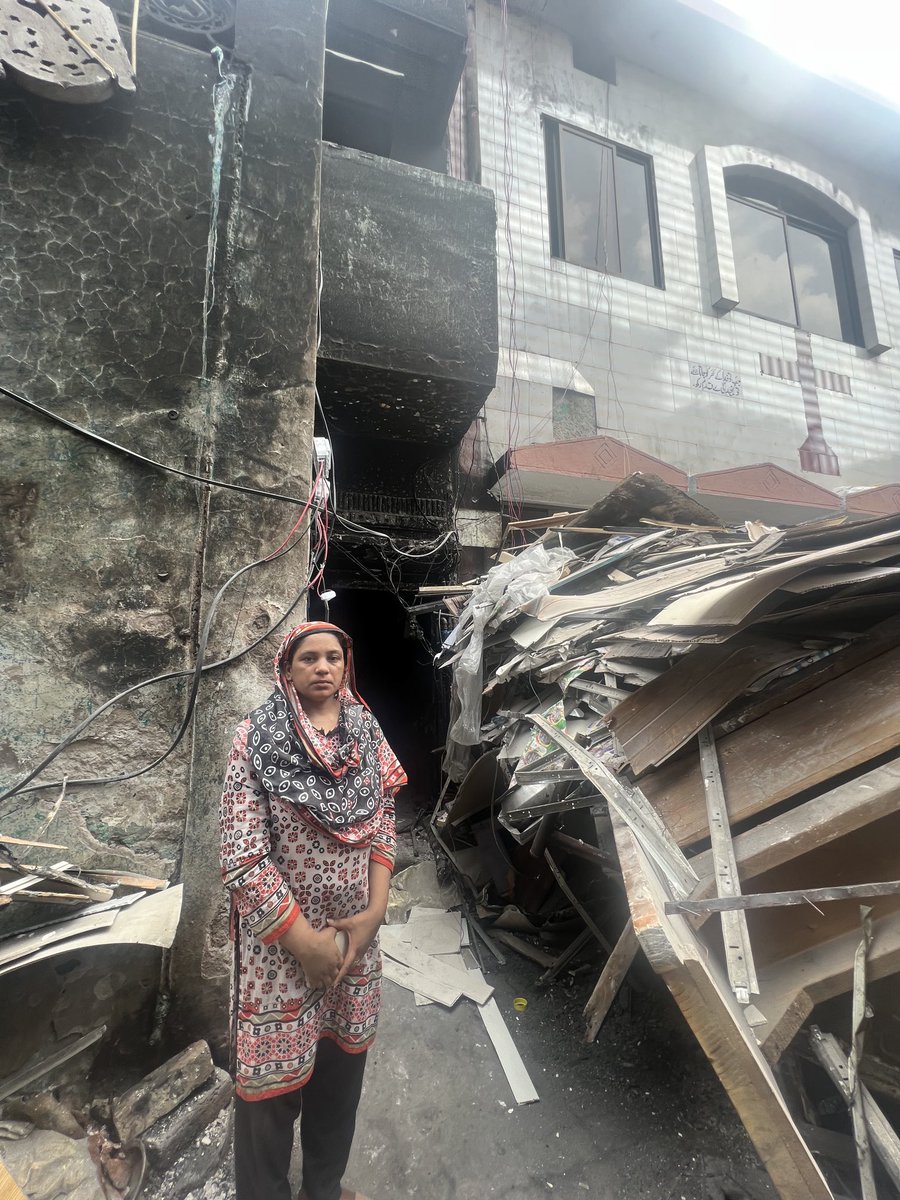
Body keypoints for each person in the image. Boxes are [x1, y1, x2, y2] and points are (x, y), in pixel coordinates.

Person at [219, 620, 406, 1200]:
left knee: (339, 1085)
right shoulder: (256, 736)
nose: (322, 668)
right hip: (281, 957)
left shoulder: (365, 730)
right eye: (309, 659)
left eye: (333, 657)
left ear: (346, 665)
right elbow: (242, 853)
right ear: (287, 668)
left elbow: (383, 821)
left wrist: (374, 913)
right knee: (269, 1102)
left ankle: (323, 1189)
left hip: (354, 950)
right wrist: (306, 945)